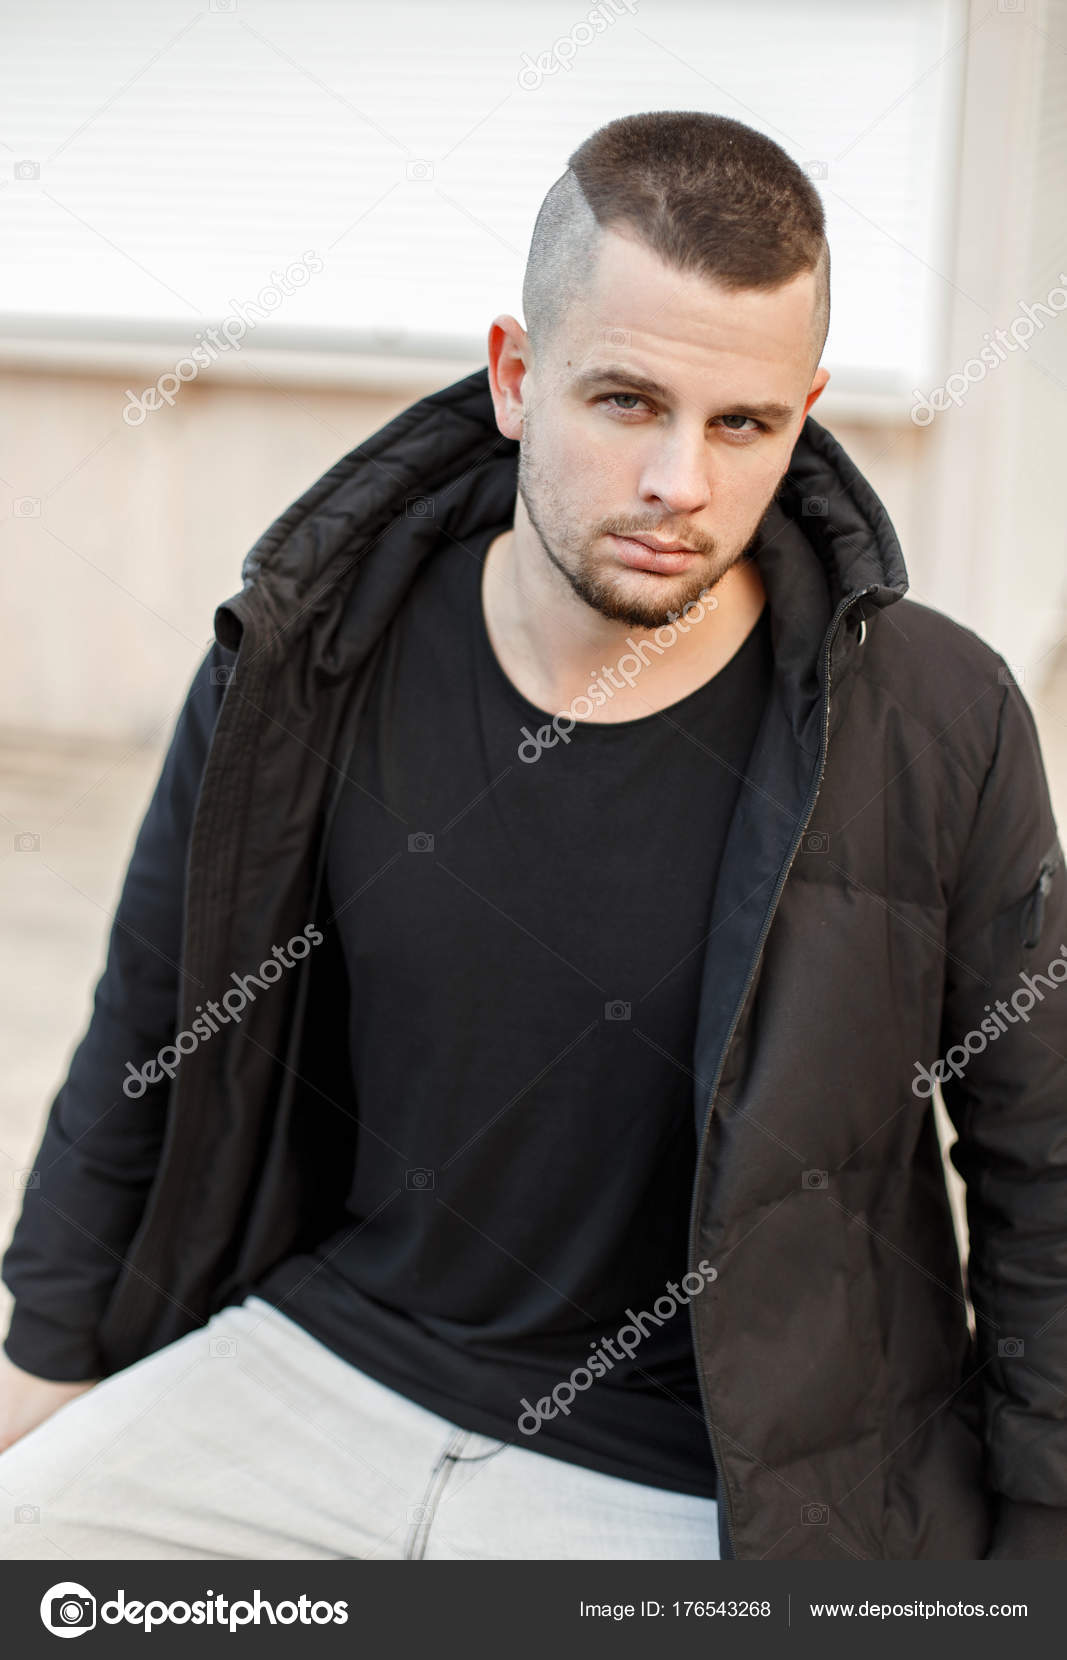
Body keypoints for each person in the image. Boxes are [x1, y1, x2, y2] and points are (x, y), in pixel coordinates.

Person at [1, 110, 1066, 1563]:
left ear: (803, 413)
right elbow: (148, 1024)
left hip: (702, 1484)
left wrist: (1042, 1543)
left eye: (743, 423)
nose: (681, 484)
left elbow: (1042, 1158)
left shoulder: (934, 718)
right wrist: (48, 1369)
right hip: (321, 1372)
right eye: (626, 401)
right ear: (516, 375)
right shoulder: (312, 657)